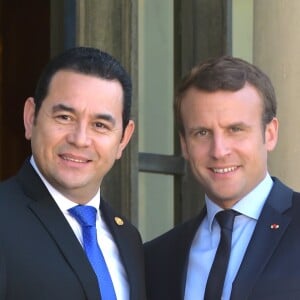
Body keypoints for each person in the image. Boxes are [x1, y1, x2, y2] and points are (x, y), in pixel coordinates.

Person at [144, 56, 300, 300]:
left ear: (269, 134)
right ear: (184, 144)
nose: (219, 151)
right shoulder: (157, 258)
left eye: (235, 130)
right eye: (202, 133)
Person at [0, 46, 146, 300]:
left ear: (124, 138)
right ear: (30, 117)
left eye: (100, 125)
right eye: (65, 117)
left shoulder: (129, 240)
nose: (80, 139)